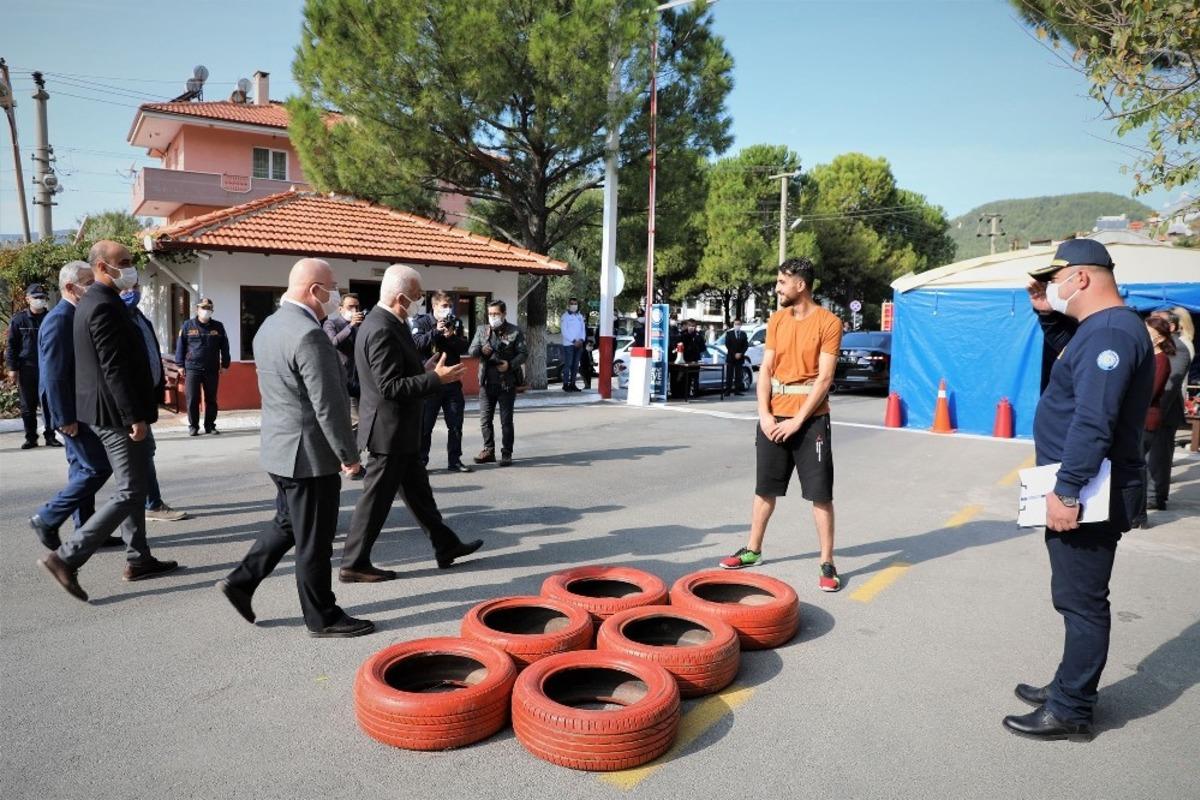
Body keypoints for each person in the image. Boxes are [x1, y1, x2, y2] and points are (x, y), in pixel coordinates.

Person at [1002, 239, 1154, 742]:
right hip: (1086, 481)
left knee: (1082, 601)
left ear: (1082, 278)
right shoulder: (1097, 330)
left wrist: (1067, 491)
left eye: (1055, 279)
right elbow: (1070, 367)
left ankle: (1072, 709)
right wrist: (1048, 315)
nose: (1050, 287)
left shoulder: (1109, 331)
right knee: (1073, 595)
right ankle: (1068, 686)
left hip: (1091, 488)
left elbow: (1095, 418)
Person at [215, 258, 373, 637]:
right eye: (332, 287)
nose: (336, 295)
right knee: (315, 540)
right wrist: (348, 455)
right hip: (308, 456)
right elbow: (328, 404)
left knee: (288, 523)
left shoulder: (270, 326)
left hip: (279, 450)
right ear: (314, 290)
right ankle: (322, 616)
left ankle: (241, 582)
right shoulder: (309, 334)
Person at [37, 241, 180, 602]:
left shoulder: (103, 301)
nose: (131, 269)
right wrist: (134, 417)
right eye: (125, 263)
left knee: (136, 481)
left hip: (113, 411)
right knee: (131, 490)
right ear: (103, 267)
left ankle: (139, 557)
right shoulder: (101, 304)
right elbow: (112, 366)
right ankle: (66, 559)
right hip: (115, 414)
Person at [340, 265, 482, 582]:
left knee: (419, 493)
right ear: (402, 298)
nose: (421, 303)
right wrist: (434, 379)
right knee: (374, 501)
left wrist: (425, 367)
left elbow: (398, 371)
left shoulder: (393, 322)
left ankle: (445, 546)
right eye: (418, 297)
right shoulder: (380, 327)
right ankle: (353, 563)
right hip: (387, 430)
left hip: (400, 429)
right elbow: (388, 387)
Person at [719, 259, 843, 594]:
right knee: (765, 490)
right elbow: (766, 371)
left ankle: (827, 562)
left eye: (781, 282)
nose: (777, 288)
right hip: (773, 416)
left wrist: (798, 421)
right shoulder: (776, 320)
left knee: (820, 495)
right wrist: (765, 414)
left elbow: (825, 378)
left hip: (811, 420)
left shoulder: (829, 322)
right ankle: (753, 550)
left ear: (800, 285)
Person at [28, 262, 119, 551]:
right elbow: (52, 373)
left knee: (81, 468)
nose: (92, 286)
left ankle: (86, 530)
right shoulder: (60, 319)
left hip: (81, 408)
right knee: (97, 468)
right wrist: (64, 417)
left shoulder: (76, 314)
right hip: (71, 412)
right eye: (87, 282)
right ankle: (47, 517)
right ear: (70, 287)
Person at [121, 282, 190, 523]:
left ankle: (148, 503)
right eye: (127, 287)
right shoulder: (116, 319)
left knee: (143, 453)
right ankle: (147, 504)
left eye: (136, 286)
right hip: (129, 403)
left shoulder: (139, 318)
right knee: (130, 459)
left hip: (144, 398)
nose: (133, 292)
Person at [412, 290, 472, 473]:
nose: (448, 309)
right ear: (434, 306)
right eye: (444, 306)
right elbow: (416, 343)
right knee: (424, 426)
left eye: (450, 306)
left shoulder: (456, 322)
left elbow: (464, 346)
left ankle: (455, 460)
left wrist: (451, 336)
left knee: (455, 424)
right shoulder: (421, 322)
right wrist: (436, 333)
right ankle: (421, 462)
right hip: (431, 382)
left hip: (452, 383)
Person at [469, 300, 527, 466]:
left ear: (504, 314)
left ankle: (506, 453)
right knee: (485, 420)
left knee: (506, 421)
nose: (493, 317)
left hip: (506, 383)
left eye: (496, 314)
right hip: (486, 382)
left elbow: (523, 353)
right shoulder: (482, 330)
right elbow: (471, 351)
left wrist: (510, 365)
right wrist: (481, 350)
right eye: (490, 314)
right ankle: (488, 450)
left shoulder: (514, 331)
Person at [1130, 316, 1175, 527]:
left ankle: (1139, 514)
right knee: (1135, 466)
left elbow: (1149, 393)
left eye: (1148, 332)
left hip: (1146, 419)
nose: (1144, 335)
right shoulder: (1149, 358)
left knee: (1138, 467)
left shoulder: (1161, 360)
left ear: (1159, 338)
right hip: (1140, 417)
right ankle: (1135, 513)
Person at [5, 282, 61, 449]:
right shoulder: (18, 320)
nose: (39, 300)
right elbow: (12, 345)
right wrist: (12, 368)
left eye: (42, 298)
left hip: (49, 368)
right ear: (28, 299)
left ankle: (51, 436)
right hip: (27, 367)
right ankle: (31, 438)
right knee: (27, 406)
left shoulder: (52, 318)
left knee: (49, 404)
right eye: (36, 297)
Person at [1146, 311, 1190, 511]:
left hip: (1163, 412)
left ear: (1170, 327)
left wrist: (1153, 411)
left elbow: (1170, 386)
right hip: (1151, 411)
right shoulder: (1153, 347)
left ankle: (1155, 497)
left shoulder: (1178, 349)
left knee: (1158, 458)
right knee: (1149, 458)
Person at [175, 297, 230, 436]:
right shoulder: (188, 325)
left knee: (211, 399)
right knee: (193, 398)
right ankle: (193, 426)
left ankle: (210, 425)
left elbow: (225, 346)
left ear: (212, 311)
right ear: (197, 309)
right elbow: (180, 346)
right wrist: (180, 365)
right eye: (203, 308)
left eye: (208, 308)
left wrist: (225, 364)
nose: (206, 311)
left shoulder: (218, 326)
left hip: (211, 368)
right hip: (192, 368)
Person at [322, 292, 363, 431]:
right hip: (343, 379)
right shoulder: (331, 323)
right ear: (340, 309)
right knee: (355, 422)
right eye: (351, 307)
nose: (355, 311)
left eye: (357, 307)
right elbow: (333, 342)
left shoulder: (361, 325)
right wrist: (350, 326)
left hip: (361, 380)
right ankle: (352, 452)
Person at [672, 318, 706, 398]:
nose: (692, 327)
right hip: (684, 359)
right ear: (687, 326)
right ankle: (684, 394)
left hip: (695, 360)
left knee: (695, 378)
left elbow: (703, 348)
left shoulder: (698, 335)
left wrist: (696, 350)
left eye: (693, 326)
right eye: (690, 326)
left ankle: (695, 394)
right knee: (685, 378)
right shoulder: (682, 334)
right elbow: (676, 345)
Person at [560, 297, 586, 392]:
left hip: (579, 344)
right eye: (572, 303)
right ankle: (565, 384)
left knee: (575, 365)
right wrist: (574, 341)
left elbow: (583, 329)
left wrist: (582, 339)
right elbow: (564, 331)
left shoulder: (579, 316)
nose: (574, 305)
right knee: (568, 364)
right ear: (569, 305)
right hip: (569, 345)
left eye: (575, 303)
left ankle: (573, 384)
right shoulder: (565, 316)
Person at [724, 318, 750, 395]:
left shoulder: (743, 334)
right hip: (731, 357)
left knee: (738, 375)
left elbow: (746, 345)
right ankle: (728, 390)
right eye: (736, 324)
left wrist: (741, 353)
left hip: (740, 358)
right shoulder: (729, 333)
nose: (737, 325)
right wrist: (734, 354)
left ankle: (737, 390)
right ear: (733, 325)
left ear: (741, 325)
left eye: (738, 324)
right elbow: (727, 345)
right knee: (730, 374)